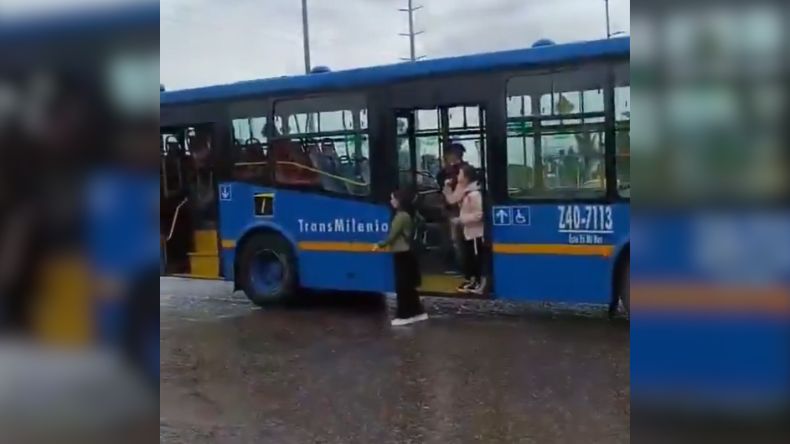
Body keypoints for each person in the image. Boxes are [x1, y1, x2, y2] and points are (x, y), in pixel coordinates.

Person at [374, 189, 427, 326]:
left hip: (401, 252)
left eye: (392, 199)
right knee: (409, 285)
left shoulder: (400, 216)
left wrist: (380, 245)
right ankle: (417, 312)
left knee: (402, 286)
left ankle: (405, 314)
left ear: (399, 201)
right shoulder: (411, 214)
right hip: (409, 252)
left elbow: (392, 236)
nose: (391, 202)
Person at [444, 164, 486, 294]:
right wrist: (447, 188)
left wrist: (461, 220)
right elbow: (452, 199)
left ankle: (479, 283)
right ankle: (472, 280)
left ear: (466, 177)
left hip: (476, 232)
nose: (457, 176)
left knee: (477, 258)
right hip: (468, 231)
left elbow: (479, 214)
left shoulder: (474, 194)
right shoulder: (465, 191)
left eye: (460, 174)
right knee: (470, 257)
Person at [436, 143, 468, 273]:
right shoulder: (464, 169)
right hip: (454, 209)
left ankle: (460, 267)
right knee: (456, 240)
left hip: (456, 210)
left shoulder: (455, 172)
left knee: (457, 241)